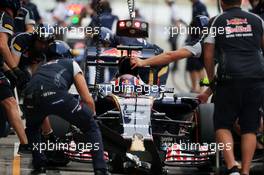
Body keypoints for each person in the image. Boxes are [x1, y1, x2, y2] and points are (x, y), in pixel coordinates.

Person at [23, 40, 109, 175]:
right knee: (92, 126)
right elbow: (87, 99)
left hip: (29, 97)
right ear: (67, 54)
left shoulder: (42, 68)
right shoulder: (71, 63)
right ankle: (100, 169)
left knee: (33, 129)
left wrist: (48, 132)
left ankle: (39, 166)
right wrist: (90, 117)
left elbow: (41, 106)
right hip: (57, 95)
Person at [203, 0, 264, 175]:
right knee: (250, 126)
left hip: (229, 77)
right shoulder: (257, 20)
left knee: (222, 124)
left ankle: (232, 167)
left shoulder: (216, 21)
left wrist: (211, 79)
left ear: (222, 2)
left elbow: (208, 54)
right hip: (256, 78)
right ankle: (245, 171)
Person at [0, 0, 29, 152]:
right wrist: (16, 69)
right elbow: (2, 45)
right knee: (11, 102)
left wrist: (9, 71)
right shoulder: (5, 16)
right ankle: (25, 144)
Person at [186, 0, 209, 93]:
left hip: (199, 41)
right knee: (191, 66)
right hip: (192, 39)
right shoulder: (194, 5)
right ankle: (194, 88)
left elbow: (206, 22)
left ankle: (202, 88)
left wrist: (201, 38)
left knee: (200, 67)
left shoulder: (200, 6)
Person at [165, 0, 182, 71]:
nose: (165, 2)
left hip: (174, 30)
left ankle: (175, 66)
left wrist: (175, 32)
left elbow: (177, 21)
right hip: (174, 30)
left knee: (174, 49)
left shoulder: (174, 8)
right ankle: (175, 66)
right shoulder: (173, 7)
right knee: (173, 48)